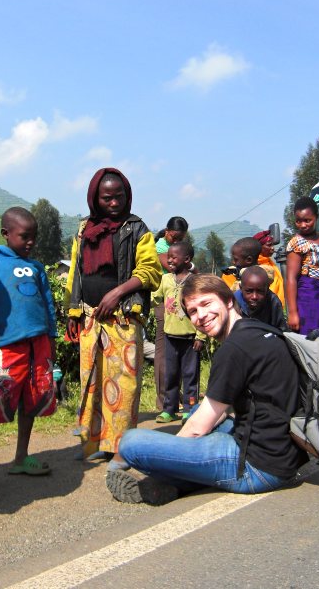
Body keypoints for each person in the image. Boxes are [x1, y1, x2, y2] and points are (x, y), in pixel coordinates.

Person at [106, 274, 306, 505]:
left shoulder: (234, 349)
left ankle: (166, 479)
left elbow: (197, 429)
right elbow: (229, 405)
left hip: (257, 469)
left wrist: (171, 458)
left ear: (228, 300)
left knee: (132, 442)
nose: (200, 316)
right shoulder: (260, 330)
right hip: (285, 456)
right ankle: (168, 485)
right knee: (203, 412)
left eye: (206, 303)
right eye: (192, 311)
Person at [65, 168, 162, 462]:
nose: (114, 202)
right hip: (89, 318)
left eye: (119, 196)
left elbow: (150, 271)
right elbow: (75, 273)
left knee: (124, 381)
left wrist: (117, 293)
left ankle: (121, 448)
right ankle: (95, 443)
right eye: (107, 198)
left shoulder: (137, 229)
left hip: (122, 317)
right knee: (92, 381)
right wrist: (72, 311)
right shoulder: (84, 230)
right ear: (96, 197)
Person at [0, 207, 58, 486]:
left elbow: (48, 305)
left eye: (34, 236)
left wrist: (51, 341)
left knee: (31, 401)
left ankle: (21, 456)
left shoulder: (36, 267)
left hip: (39, 345)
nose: (30, 242)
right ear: (6, 234)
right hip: (9, 348)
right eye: (24, 236)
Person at [153, 242, 205, 424]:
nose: (170, 260)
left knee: (190, 375)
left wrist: (201, 336)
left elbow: (201, 310)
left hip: (191, 338)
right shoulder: (166, 279)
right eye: (168, 257)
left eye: (174, 257)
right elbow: (156, 297)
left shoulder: (194, 281)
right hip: (170, 336)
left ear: (187, 259)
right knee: (171, 374)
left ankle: (190, 408)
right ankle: (170, 409)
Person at [285, 197, 319, 343]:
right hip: (308, 299)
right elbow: (290, 278)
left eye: (307, 220)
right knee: (313, 342)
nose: (303, 225)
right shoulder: (296, 243)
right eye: (298, 221)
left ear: (316, 217)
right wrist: (292, 313)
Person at [152, 216, 189, 412]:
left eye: (180, 239)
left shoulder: (172, 247)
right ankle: (164, 399)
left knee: (177, 351)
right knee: (164, 351)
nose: (176, 242)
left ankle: (173, 395)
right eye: (174, 238)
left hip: (177, 302)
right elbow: (175, 267)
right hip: (164, 302)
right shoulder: (159, 248)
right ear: (167, 232)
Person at [235, 266, 288, 331]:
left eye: (260, 291)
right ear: (241, 288)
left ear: (267, 288)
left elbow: (281, 329)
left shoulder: (273, 302)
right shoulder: (234, 301)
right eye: (249, 291)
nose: (254, 297)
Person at [253, 230, 285, 310]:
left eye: (273, 245)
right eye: (269, 245)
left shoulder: (270, 263)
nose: (273, 248)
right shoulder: (254, 266)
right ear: (259, 247)